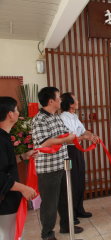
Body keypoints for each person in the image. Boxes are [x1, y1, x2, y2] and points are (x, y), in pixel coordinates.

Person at [32, 87, 83, 240]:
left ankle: (66, 226)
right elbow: (45, 142)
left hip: (62, 164)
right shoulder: (39, 119)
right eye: (58, 97)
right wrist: (66, 139)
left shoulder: (56, 117)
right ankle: (47, 234)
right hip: (48, 168)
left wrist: (77, 136)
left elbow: (65, 134)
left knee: (65, 199)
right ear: (50, 101)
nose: (61, 100)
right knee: (50, 204)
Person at [0, 97, 37, 240]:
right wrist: (23, 188)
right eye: (16, 109)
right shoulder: (1, 140)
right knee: (8, 235)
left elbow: (5, 163)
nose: (18, 112)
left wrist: (23, 156)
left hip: (10, 199)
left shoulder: (5, 137)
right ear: (10, 114)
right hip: (5, 202)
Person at [60, 92, 99, 224]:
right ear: (70, 104)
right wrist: (84, 137)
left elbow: (82, 131)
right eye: (76, 99)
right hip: (68, 152)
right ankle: (72, 213)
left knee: (80, 179)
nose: (78, 101)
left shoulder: (74, 116)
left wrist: (91, 135)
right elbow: (69, 138)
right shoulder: (63, 118)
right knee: (72, 181)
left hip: (77, 151)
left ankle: (79, 208)